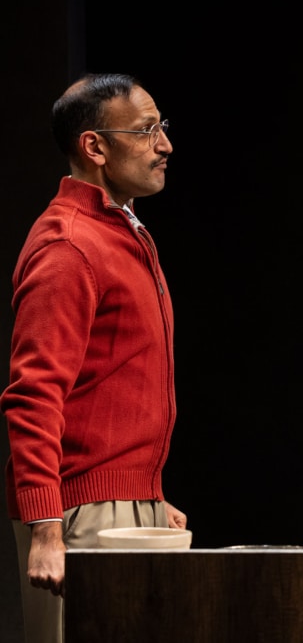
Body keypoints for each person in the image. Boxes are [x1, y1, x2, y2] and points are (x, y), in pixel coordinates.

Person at [1, 72, 186, 643]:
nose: (165, 145)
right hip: (82, 516)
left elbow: (113, 387)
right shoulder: (69, 245)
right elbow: (33, 397)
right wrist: (47, 527)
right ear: (95, 147)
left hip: (126, 507)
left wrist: (147, 494)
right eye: (147, 130)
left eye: (163, 127)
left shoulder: (120, 233)